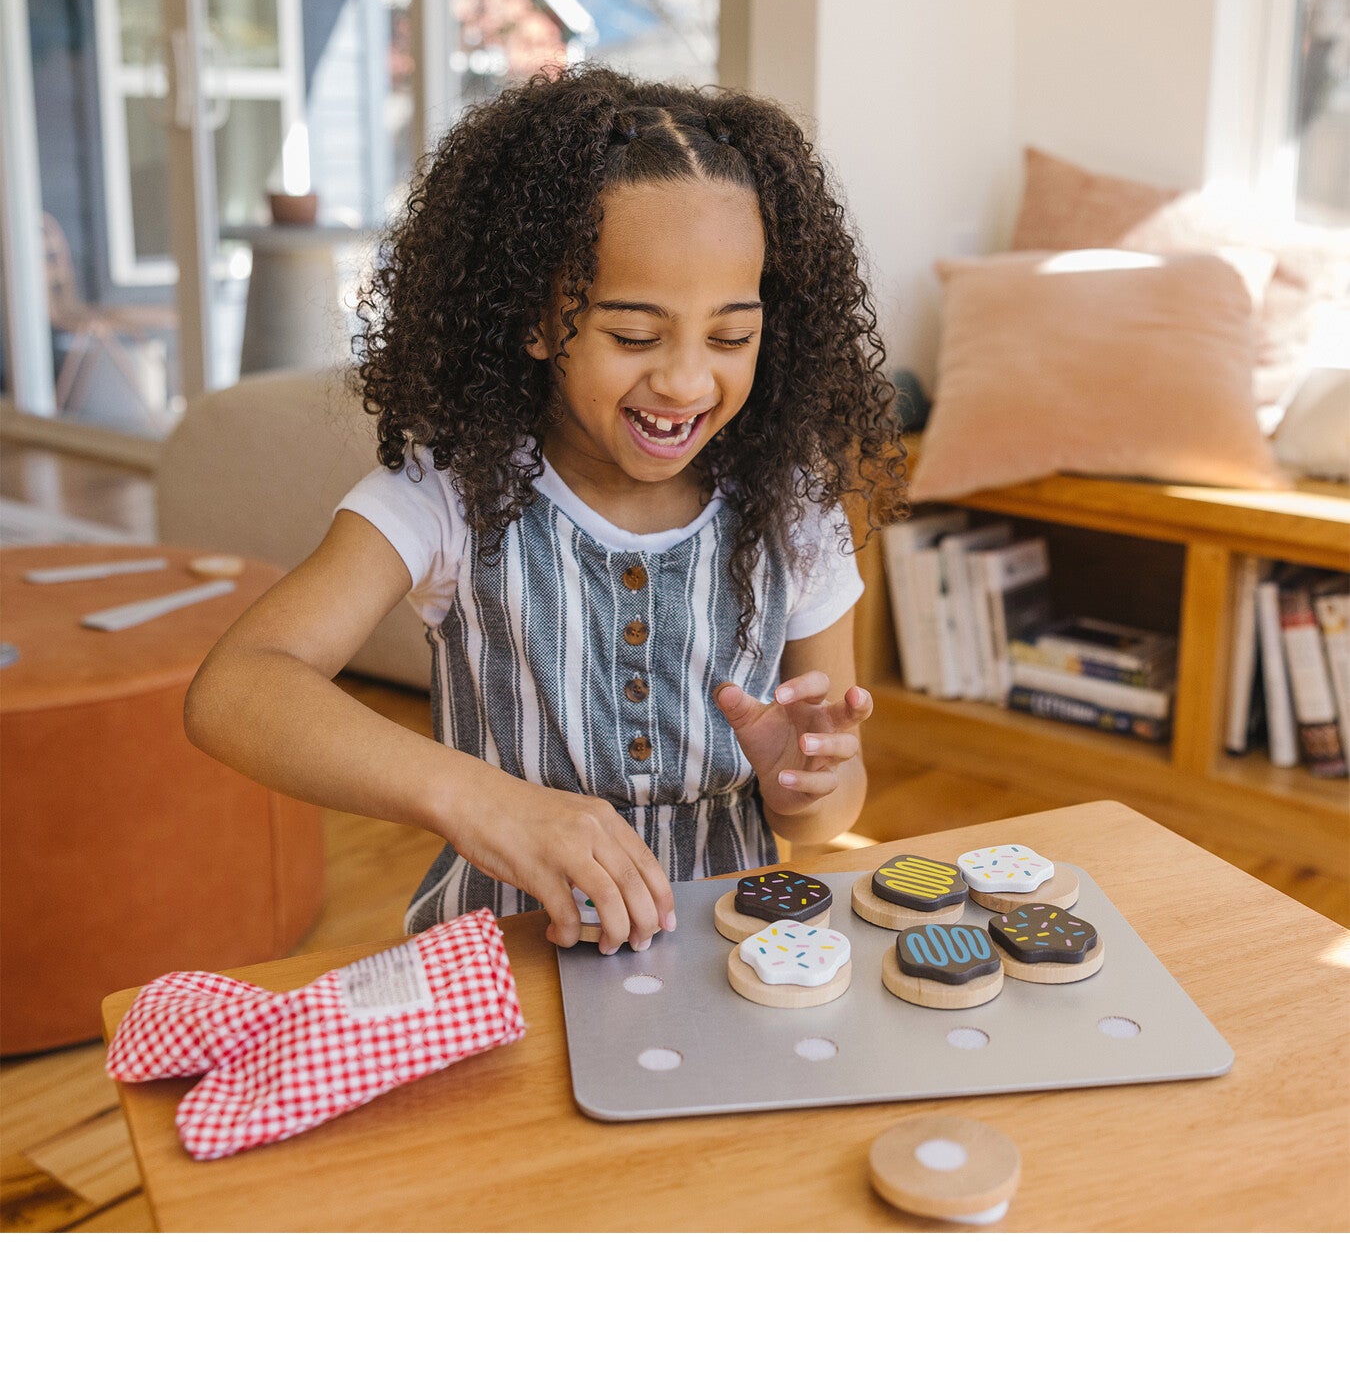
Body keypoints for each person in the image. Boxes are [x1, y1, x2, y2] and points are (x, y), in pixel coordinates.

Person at [185, 66, 906, 955]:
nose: (685, 379)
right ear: (535, 321)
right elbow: (237, 687)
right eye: (633, 335)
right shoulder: (448, 495)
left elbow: (826, 817)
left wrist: (804, 783)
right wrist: (482, 800)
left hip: (736, 957)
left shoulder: (792, 513)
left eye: (731, 336)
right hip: (505, 965)